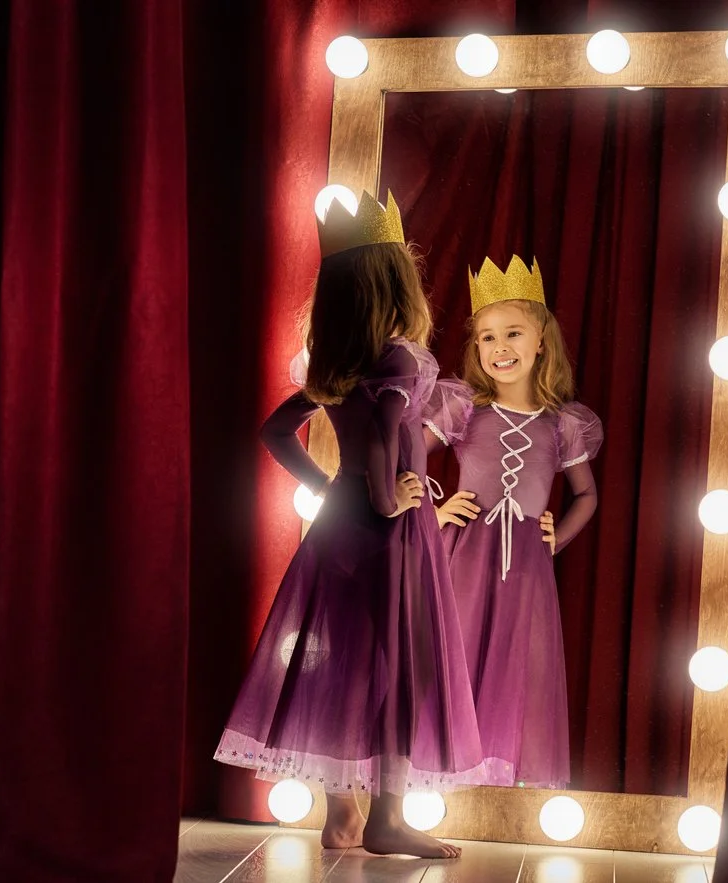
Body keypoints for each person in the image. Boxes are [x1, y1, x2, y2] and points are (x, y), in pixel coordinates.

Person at [214, 191, 491, 858]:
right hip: (390, 534)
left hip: (343, 526)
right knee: (405, 666)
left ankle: (342, 814)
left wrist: (333, 490)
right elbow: (385, 438)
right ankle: (385, 818)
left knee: (346, 665)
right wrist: (387, 496)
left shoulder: (338, 360)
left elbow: (277, 432)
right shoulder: (398, 356)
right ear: (396, 280)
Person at [423, 255, 603, 789]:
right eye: (487, 338)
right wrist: (434, 514)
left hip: (525, 560)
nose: (500, 348)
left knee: (514, 665)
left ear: (541, 340)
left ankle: (497, 785)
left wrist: (555, 538)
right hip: (465, 554)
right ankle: (442, 772)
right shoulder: (464, 409)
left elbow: (587, 496)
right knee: (454, 655)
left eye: (514, 334)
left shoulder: (562, 425)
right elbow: (403, 458)